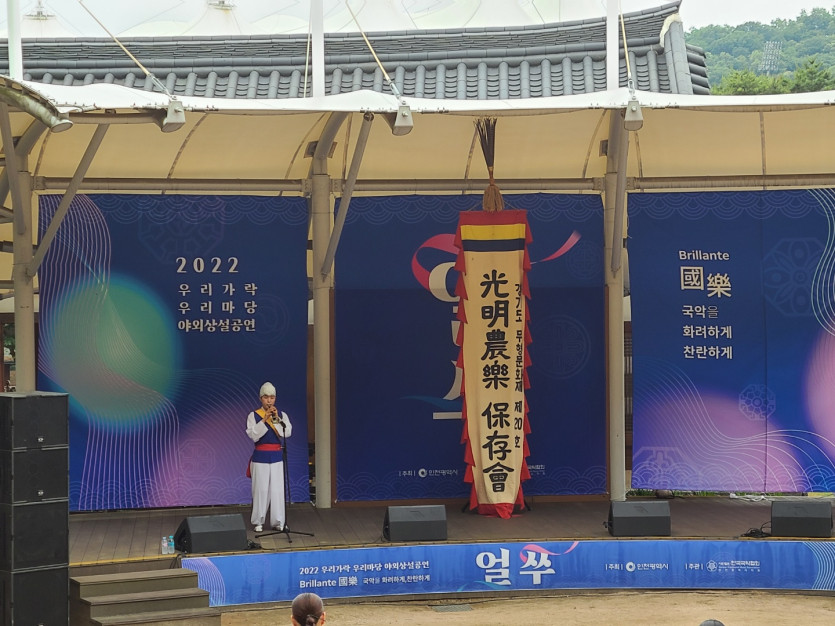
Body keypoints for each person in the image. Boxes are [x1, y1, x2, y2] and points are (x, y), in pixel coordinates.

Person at [246, 381, 293, 533]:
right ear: (261, 398)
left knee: (277, 490)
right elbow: (253, 435)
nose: (269, 401)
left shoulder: (281, 415)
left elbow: (286, 433)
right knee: (260, 490)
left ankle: (278, 521)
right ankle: (258, 521)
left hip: (277, 456)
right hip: (260, 457)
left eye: (272, 398)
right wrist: (264, 420)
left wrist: (275, 418)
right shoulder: (253, 415)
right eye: (266, 397)